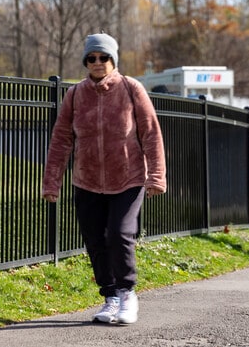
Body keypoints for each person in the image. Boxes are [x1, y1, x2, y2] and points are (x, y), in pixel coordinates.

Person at [42, 33, 167, 324]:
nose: (97, 63)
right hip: (87, 181)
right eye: (91, 58)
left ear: (113, 60)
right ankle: (110, 296)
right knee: (95, 240)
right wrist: (51, 183)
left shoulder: (131, 88)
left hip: (128, 178)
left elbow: (151, 134)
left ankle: (127, 293)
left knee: (120, 233)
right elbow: (60, 140)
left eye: (103, 57)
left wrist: (156, 176)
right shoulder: (74, 95)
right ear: (86, 61)